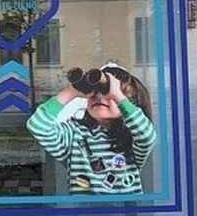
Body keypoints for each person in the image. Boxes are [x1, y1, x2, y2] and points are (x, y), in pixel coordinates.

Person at [26, 65, 157, 194]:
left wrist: (117, 95)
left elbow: (147, 136)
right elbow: (37, 126)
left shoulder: (131, 138)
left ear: (130, 103)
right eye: (96, 91)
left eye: (107, 92)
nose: (100, 96)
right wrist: (71, 91)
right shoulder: (74, 135)